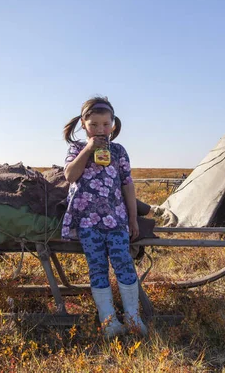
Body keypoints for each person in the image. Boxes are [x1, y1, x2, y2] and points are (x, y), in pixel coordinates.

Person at [62, 96, 147, 338]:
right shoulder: (77, 149)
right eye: (94, 125)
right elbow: (70, 175)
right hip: (87, 222)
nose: (101, 130)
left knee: (124, 264)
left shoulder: (118, 151)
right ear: (83, 124)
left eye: (106, 124)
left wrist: (132, 219)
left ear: (113, 124)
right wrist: (88, 149)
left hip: (116, 220)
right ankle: (109, 321)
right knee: (97, 268)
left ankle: (133, 318)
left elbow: (127, 185)